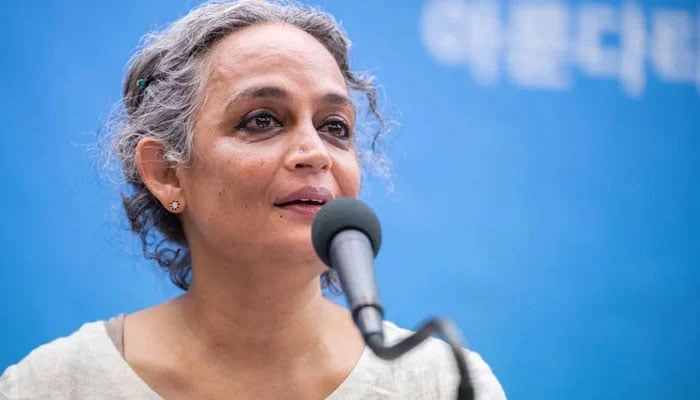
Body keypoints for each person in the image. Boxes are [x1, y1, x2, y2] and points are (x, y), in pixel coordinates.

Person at [0, 1, 506, 399]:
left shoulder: (443, 385)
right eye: (261, 120)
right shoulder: (52, 386)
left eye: (335, 127)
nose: (315, 153)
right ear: (167, 172)